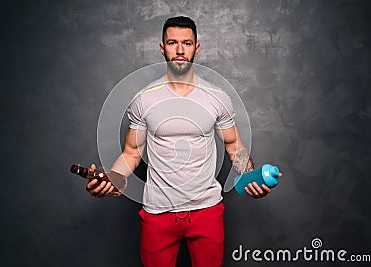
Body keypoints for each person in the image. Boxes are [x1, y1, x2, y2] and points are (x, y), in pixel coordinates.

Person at [86, 16, 283, 267]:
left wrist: (251, 176)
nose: (180, 50)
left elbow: (234, 148)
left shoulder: (217, 97)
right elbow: (132, 153)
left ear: (196, 47)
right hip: (158, 213)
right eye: (172, 42)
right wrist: (111, 180)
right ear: (162, 47)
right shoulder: (144, 100)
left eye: (187, 43)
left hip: (206, 211)